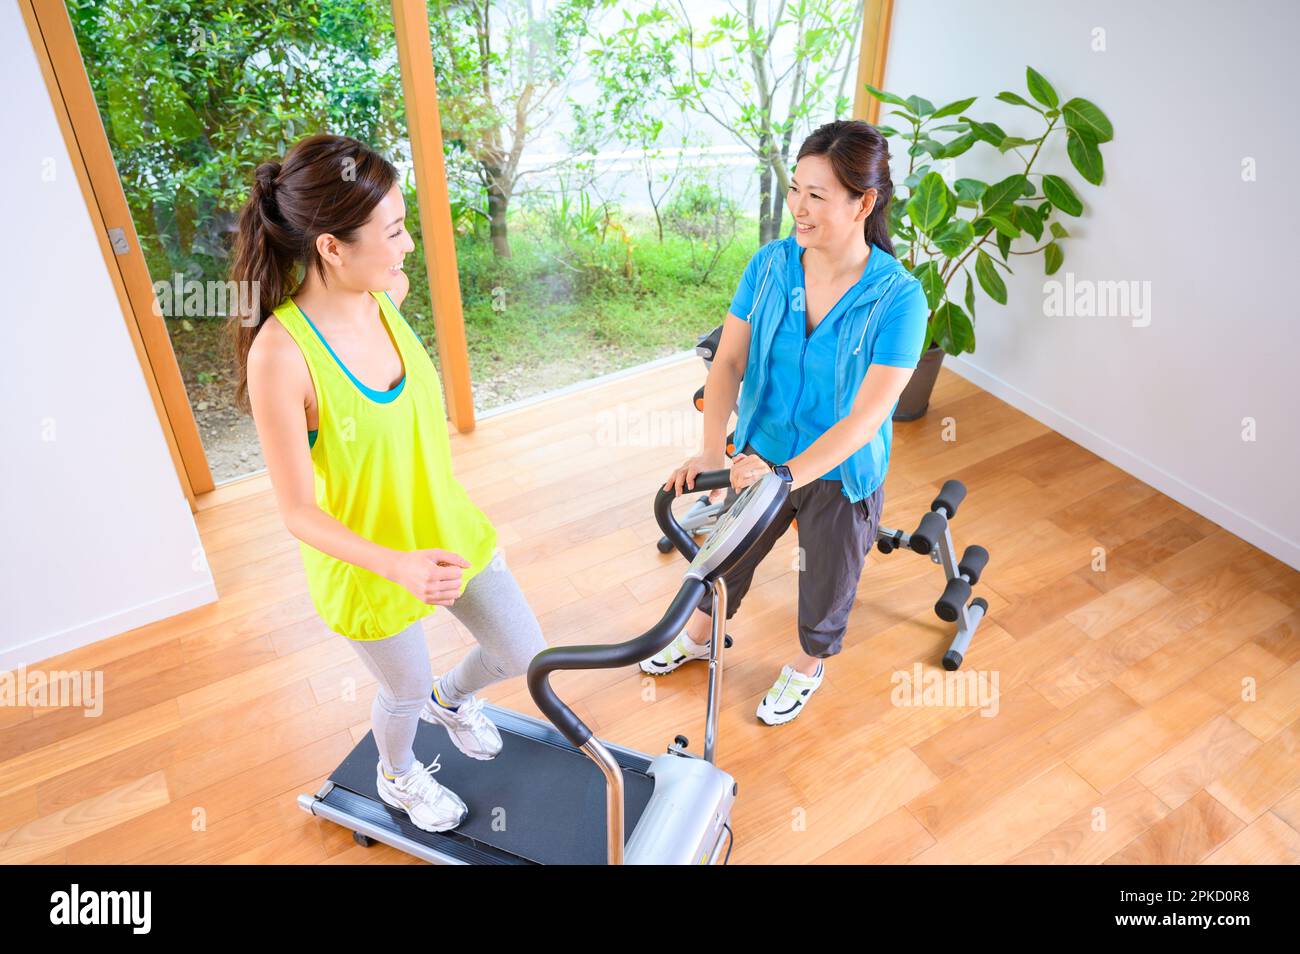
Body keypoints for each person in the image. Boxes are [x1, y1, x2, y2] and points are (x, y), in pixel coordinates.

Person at [229, 133, 545, 834]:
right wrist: (395, 566)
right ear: (332, 249)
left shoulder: (384, 294)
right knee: (399, 693)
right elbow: (296, 512)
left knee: (524, 653)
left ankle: (455, 699)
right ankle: (397, 776)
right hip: (368, 562)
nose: (407, 248)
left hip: (444, 527)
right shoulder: (281, 357)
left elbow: (395, 281)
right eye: (394, 231)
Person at [641, 119, 929, 726]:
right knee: (725, 556)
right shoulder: (771, 266)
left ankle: (807, 666)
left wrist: (783, 476)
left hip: (840, 471)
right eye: (796, 188)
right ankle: (698, 637)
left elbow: (865, 418)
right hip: (759, 452)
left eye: (817, 195)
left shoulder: (899, 300)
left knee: (826, 583)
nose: (798, 207)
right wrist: (714, 455)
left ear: (864, 203)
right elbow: (729, 364)